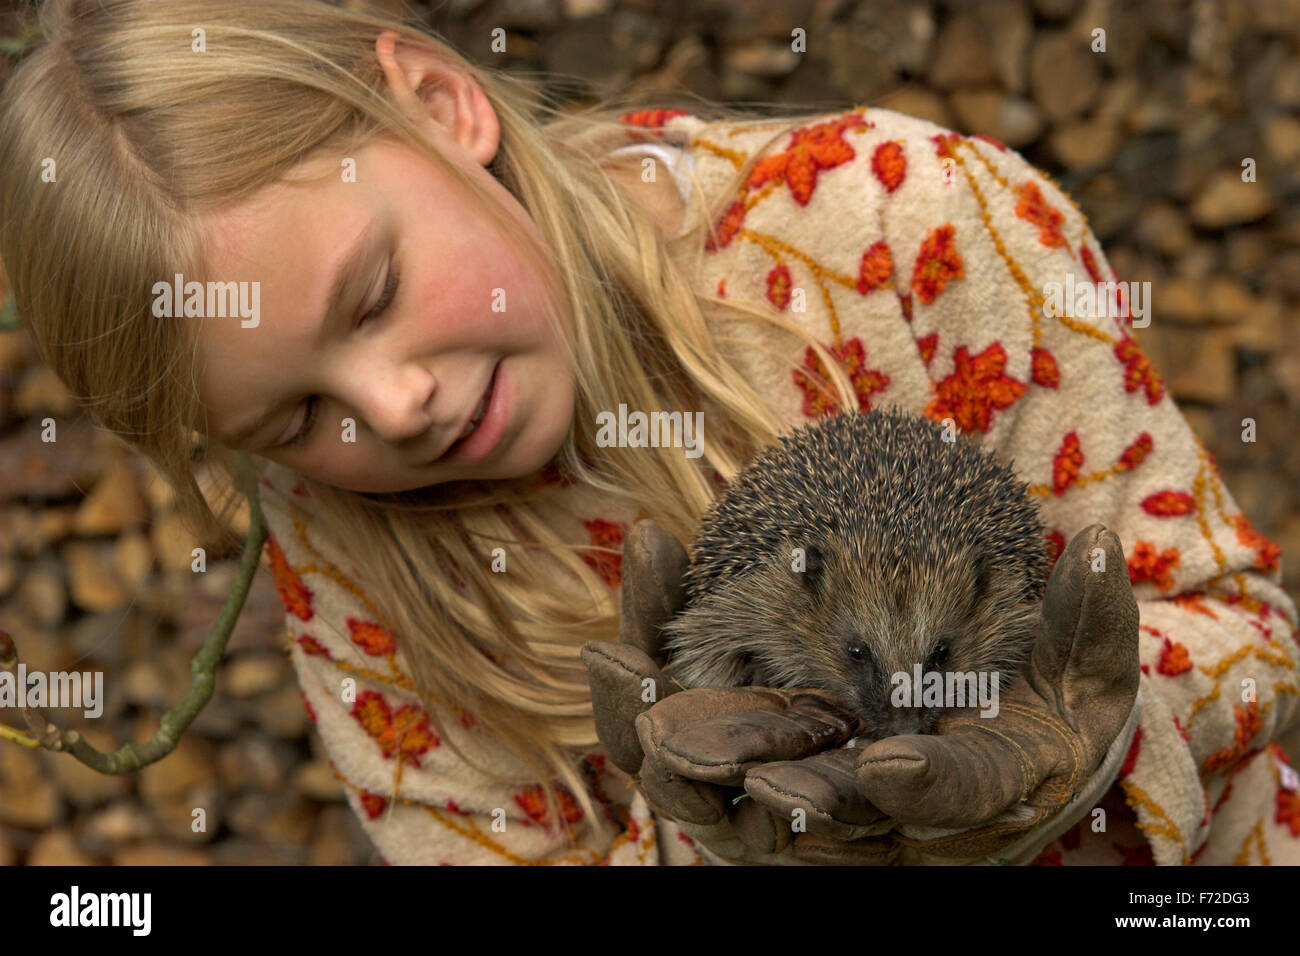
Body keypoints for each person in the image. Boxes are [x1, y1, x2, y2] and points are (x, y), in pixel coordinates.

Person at [1, 0, 1296, 866]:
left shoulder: (912, 229)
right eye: (296, 413)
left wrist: (1078, 745)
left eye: (376, 294)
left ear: (442, 103)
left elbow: (1244, 632)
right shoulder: (351, 550)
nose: (396, 408)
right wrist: (714, 843)